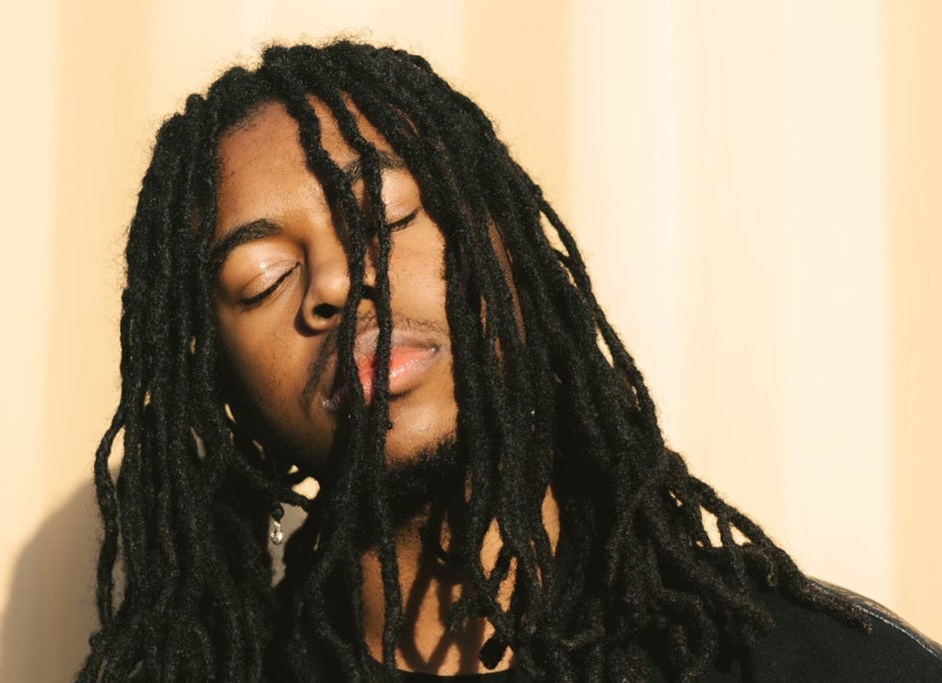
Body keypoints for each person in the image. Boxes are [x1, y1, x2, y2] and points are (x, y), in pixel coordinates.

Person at [78, 41, 942, 682]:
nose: (338, 280)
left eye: (385, 211)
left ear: (509, 253)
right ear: (222, 390)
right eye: (263, 277)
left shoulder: (818, 662)